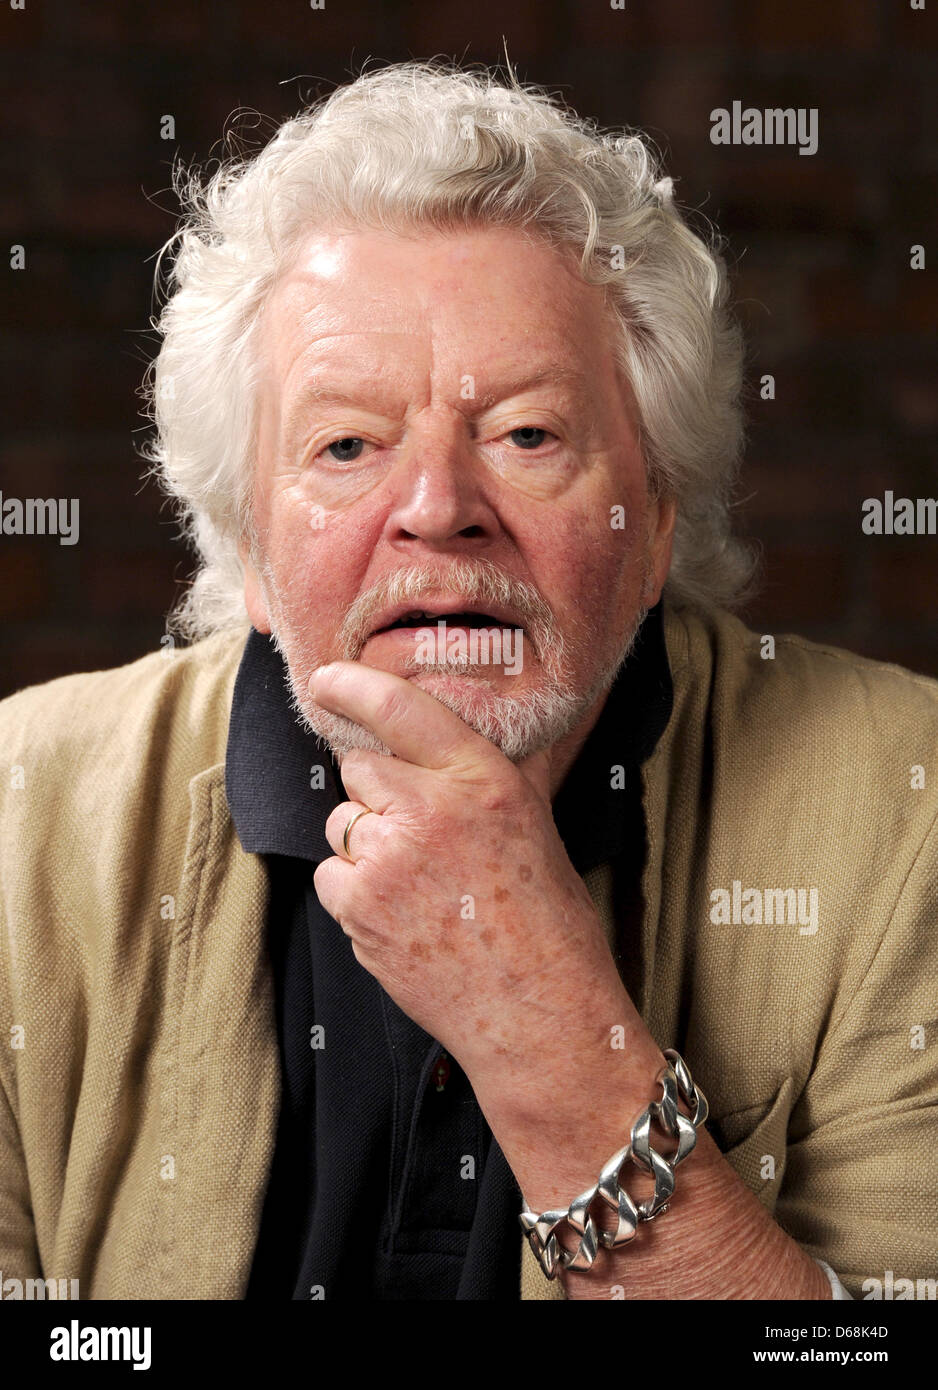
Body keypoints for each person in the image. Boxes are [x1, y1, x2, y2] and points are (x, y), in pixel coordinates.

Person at [1, 59, 935, 1303]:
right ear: (249, 551)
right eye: (346, 445)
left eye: (526, 434)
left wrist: (550, 1033)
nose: (437, 510)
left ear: (655, 516)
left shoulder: (906, 812)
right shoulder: (19, 816)